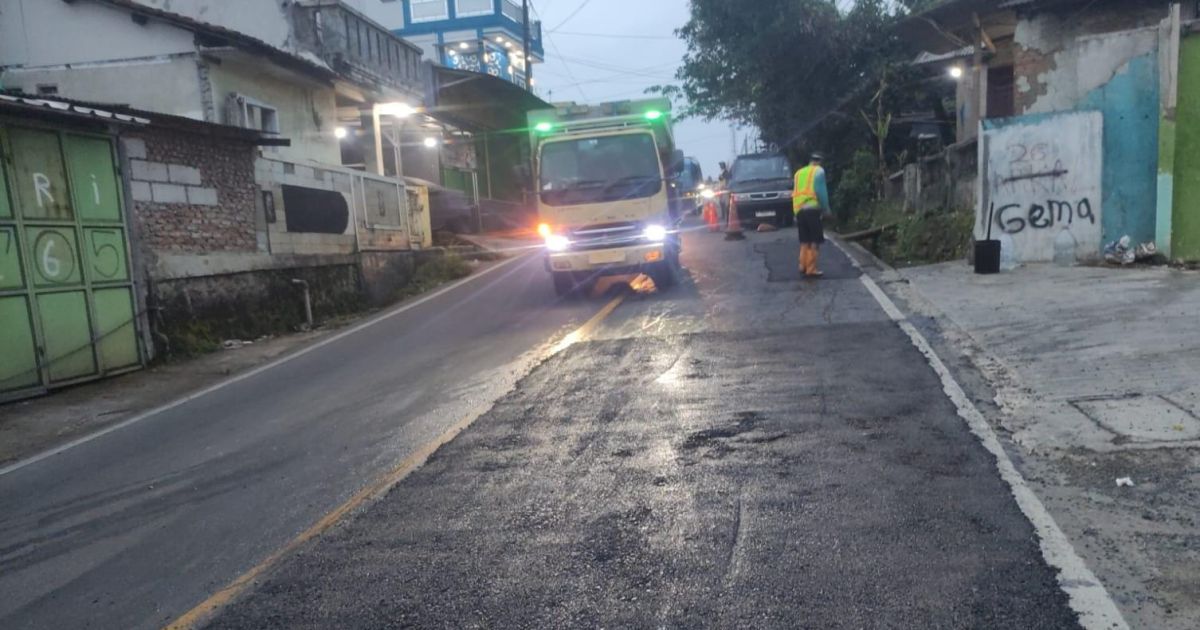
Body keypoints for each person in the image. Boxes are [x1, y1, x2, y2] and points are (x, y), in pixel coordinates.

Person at [792, 153, 831, 277]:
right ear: (819, 161)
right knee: (815, 240)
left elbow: (795, 192)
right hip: (812, 209)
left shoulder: (798, 173)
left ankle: (802, 265)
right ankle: (811, 268)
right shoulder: (818, 171)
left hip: (799, 210)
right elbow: (821, 192)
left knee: (804, 240)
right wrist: (826, 209)